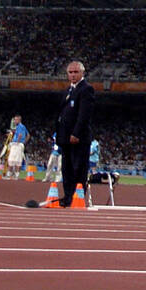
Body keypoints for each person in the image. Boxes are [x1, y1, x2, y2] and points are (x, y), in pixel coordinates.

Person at [56, 61, 95, 207]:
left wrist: (76, 133)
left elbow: (84, 114)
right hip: (65, 137)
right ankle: (67, 197)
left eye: (75, 72)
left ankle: (77, 197)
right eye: (70, 72)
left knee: (78, 168)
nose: (72, 75)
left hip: (79, 138)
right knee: (67, 169)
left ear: (82, 73)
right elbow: (62, 113)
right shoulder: (68, 90)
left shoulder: (86, 89)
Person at [5, 115, 28, 180]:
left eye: (15, 120)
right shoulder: (22, 127)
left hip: (17, 144)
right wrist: (23, 142)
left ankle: (10, 175)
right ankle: (16, 175)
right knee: (17, 160)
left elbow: (20, 135)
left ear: (19, 120)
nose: (14, 121)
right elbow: (28, 135)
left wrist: (17, 142)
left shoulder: (20, 126)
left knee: (12, 160)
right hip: (19, 144)